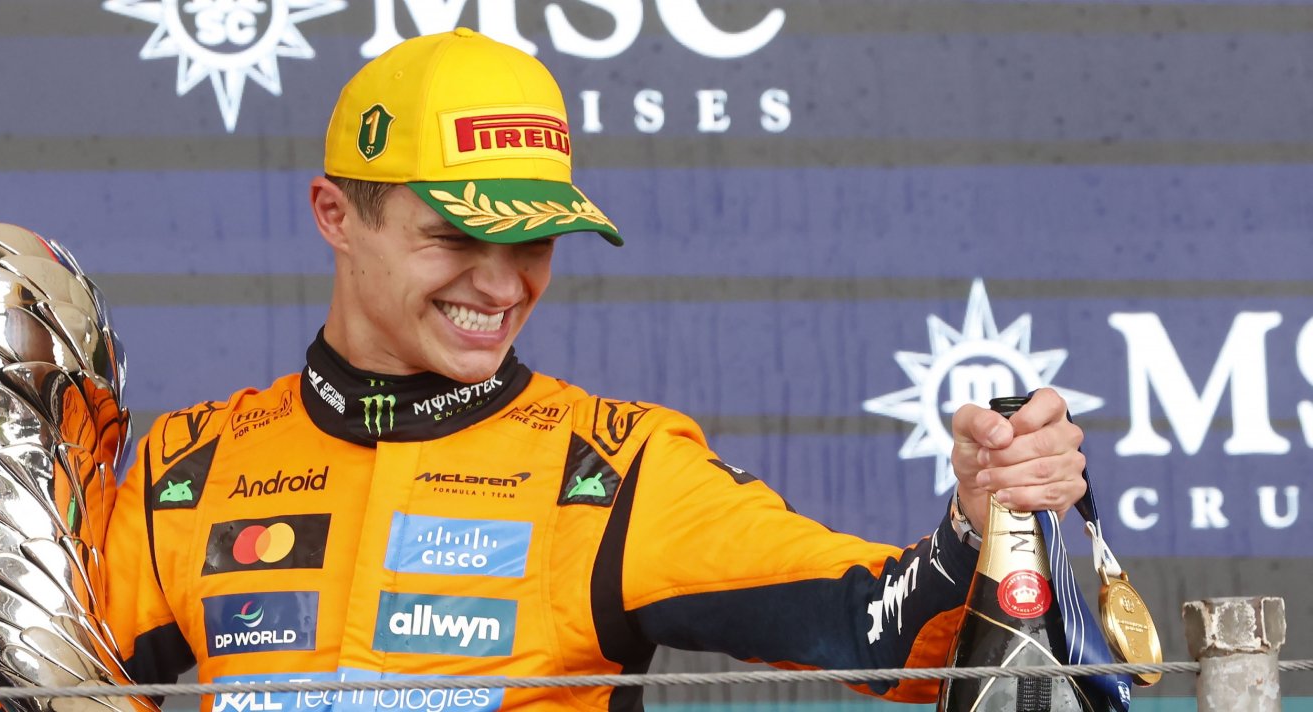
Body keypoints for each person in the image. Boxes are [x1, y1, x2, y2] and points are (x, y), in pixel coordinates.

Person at [99, 28, 1090, 712]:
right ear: (335, 214)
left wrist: (980, 513)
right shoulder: (186, 468)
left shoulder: (618, 467)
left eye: (535, 241)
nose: (500, 284)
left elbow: (879, 636)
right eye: (454, 236)